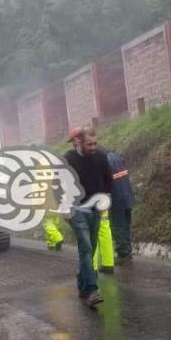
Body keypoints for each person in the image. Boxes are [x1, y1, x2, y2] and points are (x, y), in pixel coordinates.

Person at [64, 127, 112, 308]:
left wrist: (105, 198)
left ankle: (83, 281)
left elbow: (108, 179)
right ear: (79, 142)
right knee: (85, 247)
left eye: (95, 143)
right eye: (89, 144)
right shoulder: (68, 159)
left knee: (90, 249)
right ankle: (92, 290)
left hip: (95, 207)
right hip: (77, 209)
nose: (93, 147)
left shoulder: (100, 156)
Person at [107, 150, 135, 264]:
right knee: (126, 225)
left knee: (118, 226)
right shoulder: (117, 156)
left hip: (116, 198)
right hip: (127, 195)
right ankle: (127, 251)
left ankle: (123, 254)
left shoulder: (104, 160)